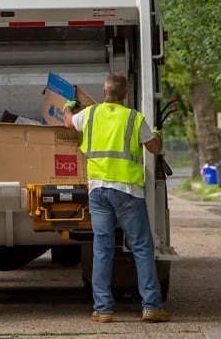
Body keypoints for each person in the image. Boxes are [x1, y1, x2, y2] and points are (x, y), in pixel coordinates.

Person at [63, 72, 170, 324]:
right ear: (125, 95)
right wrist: (155, 133)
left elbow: (68, 122)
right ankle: (151, 307)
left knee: (102, 248)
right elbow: (154, 148)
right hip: (127, 193)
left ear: (104, 93)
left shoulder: (89, 114)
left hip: (98, 190)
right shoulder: (134, 118)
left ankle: (103, 309)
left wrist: (68, 105)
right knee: (142, 248)